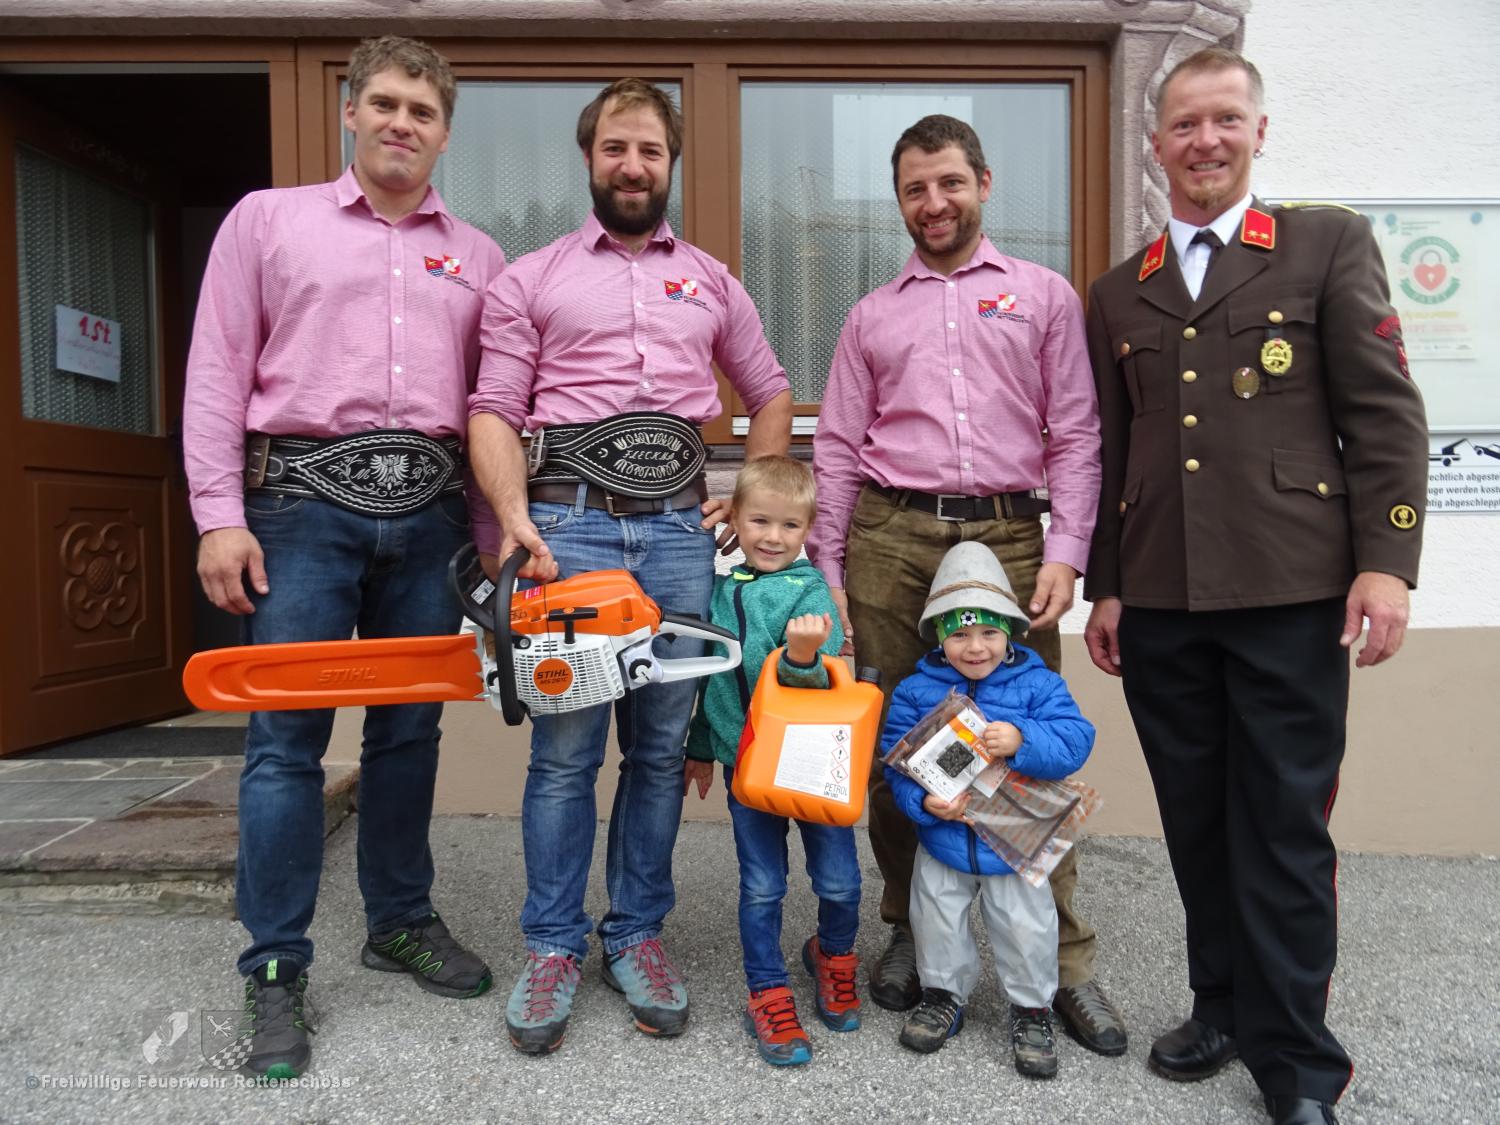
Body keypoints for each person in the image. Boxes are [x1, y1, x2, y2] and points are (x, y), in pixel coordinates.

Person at [1081, 48, 1427, 1125]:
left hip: (1290, 590)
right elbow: (1119, 447)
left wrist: (1386, 562)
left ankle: (1299, 1062)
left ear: (1259, 132)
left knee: (1282, 828)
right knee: (1196, 821)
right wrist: (1108, 584)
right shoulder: (1119, 290)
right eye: (1185, 125)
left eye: (1225, 120)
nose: (1206, 141)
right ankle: (1221, 1006)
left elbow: (1384, 414)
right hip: (1164, 597)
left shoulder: (1325, 244)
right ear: (1155, 145)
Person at [183, 36, 504, 1080]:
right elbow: (218, 370)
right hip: (296, 513)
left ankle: (398, 920)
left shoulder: (480, 256)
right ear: (352, 112)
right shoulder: (266, 222)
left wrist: (490, 542)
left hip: (430, 520)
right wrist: (217, 514)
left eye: (424, 110)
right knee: (286, 742)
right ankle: (275, 964)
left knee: (409, 734)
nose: (404, 122)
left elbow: (490, 407)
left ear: (445, 134)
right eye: (388, 103)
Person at [468, 78, 793, 1056]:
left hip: (681, 541)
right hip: (567, 535)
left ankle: (636, 933)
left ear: (671, 161)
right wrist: (514, 520)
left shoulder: (713, 281)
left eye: (650, 149)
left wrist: (746, 493)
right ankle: (552, 944)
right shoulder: (531, 277)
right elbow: (492, 410)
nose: (633, 164)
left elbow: (770, 392)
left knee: (658, 753)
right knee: (565, 754)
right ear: (590, 157)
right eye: (616, 147)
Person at [807, 113, 1126, 1055]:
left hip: (1010, 534)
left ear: (983, 183)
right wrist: (828, 568)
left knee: (1024, 738)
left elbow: (1077, 430)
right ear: (899, 200)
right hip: (891, 533)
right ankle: (913, 926)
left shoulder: (1043, 296)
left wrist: (1068, 548)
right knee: (900, 743)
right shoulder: (872, 314)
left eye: (949, 182)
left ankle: (1063, 963)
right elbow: (837, 445)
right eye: (915, 188)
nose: (933, 202)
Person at [881, 542, 1094, 1078]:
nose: (975, 647)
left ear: (1010, 632)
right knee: (936, 920)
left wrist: (1023, 738)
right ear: (938, 635)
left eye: (989, 633)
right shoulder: (915, 692)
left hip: (1015, 842)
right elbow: (895, 764)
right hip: (943, 839)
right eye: (959, 634)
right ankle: (943, 994)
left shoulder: (1039, 685)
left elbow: (1075, 740)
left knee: (1027, 928)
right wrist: (922, 803)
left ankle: (1032, 1008)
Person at [682, 455, 859, 1067]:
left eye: (790, 525)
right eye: (759, 521)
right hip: (748, 766)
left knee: (839, 879)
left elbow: (817, 682)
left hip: (813, 764)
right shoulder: (720, 592)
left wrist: (802, 657)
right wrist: (700, 748)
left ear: (808, 529)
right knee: (762, 885)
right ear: (734, 519)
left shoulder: (811, 593)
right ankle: (767, 990)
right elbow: (712, 679)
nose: (773, 537)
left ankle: (833, 956)